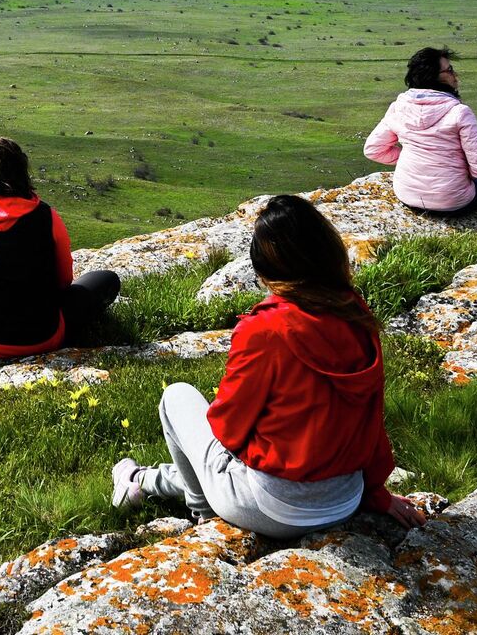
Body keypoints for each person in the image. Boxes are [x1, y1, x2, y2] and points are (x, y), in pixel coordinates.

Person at [110, 195, 428, 535]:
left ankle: (203, 518)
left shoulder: (265, 329)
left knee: (176, 397)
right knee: (220, 456)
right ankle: (142, 480)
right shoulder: (355, 312)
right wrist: (377, 494)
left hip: (276, 508)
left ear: (263, 272)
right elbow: (370, 419)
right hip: (345, 499)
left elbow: (227, 429)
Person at [0, 137, 120, 358]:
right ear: (21, 171)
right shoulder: (46, 217)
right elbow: (63, 282)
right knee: (107, 280)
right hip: (37, 338)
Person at [364, 46, 477, 216]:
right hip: (454, 203)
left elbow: (373, 150)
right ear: (433, 78)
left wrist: (412, 159)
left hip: (408, 196)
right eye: (449, 70)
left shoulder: (398, 108)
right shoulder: (459, 112)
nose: (455, 75)